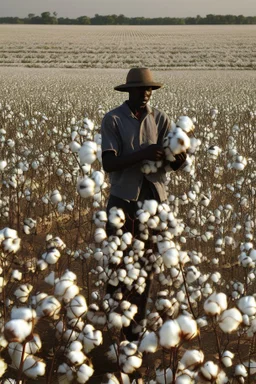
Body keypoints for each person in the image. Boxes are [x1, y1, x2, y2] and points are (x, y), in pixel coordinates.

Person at [101, 68, 186, 340]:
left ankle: (134, 325)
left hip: (153, 202)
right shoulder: (113, 119)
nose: (146, 94)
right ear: (129, 92)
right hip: (123, 202)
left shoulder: (161, 119)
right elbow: (109, 162)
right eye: (141, 90)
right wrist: (144, 154)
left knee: (147, 265)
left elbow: (172, 159)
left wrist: (178, 160)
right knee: (120, 263)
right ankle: (116, 316)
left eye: (149, 90)